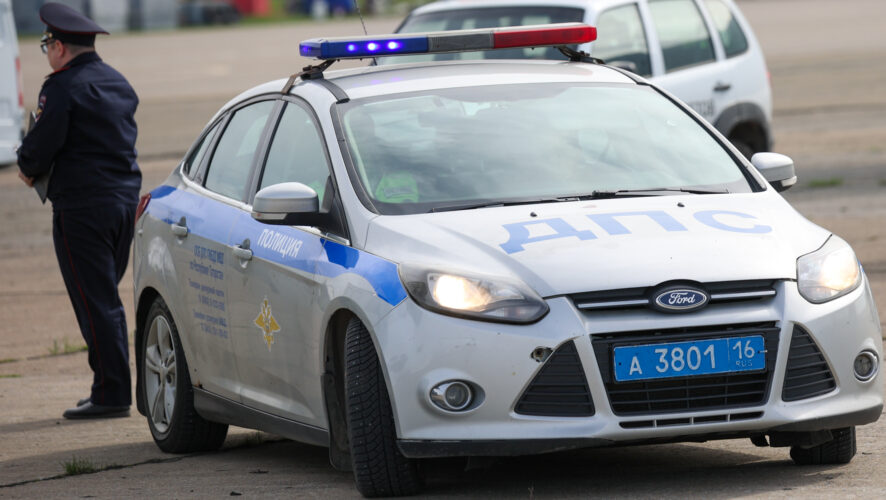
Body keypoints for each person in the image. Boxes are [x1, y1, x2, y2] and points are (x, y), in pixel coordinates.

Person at [16, 3, 141, 419]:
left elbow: (40, 146)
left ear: (60, 47)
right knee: (104, 298)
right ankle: (113, 387)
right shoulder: (117, 81)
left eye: (46, 45)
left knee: (95, 302)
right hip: (123, 205)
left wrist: (28, 165)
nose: (47, 52)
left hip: (82, 210)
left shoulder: (62, 87)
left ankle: (110, 393)